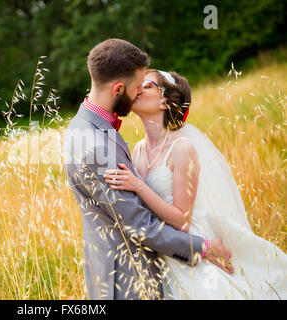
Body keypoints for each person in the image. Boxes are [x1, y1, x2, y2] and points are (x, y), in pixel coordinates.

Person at [63, 38, 233, 300]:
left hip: (124, 269)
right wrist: (204, 247)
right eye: (135, 88)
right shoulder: (98, 145)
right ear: (119, 88)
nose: (139, 93)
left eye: (146, 86)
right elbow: (139, 225)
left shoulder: (79, 126)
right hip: (127, 277)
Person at [103, 69, 286, 299]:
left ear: (164, 101)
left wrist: (139, 186)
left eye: (147, 86)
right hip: (160, 251)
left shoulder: (182, 148)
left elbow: (182, 220)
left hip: (187, 252)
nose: (137, 89)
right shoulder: (138, 149)